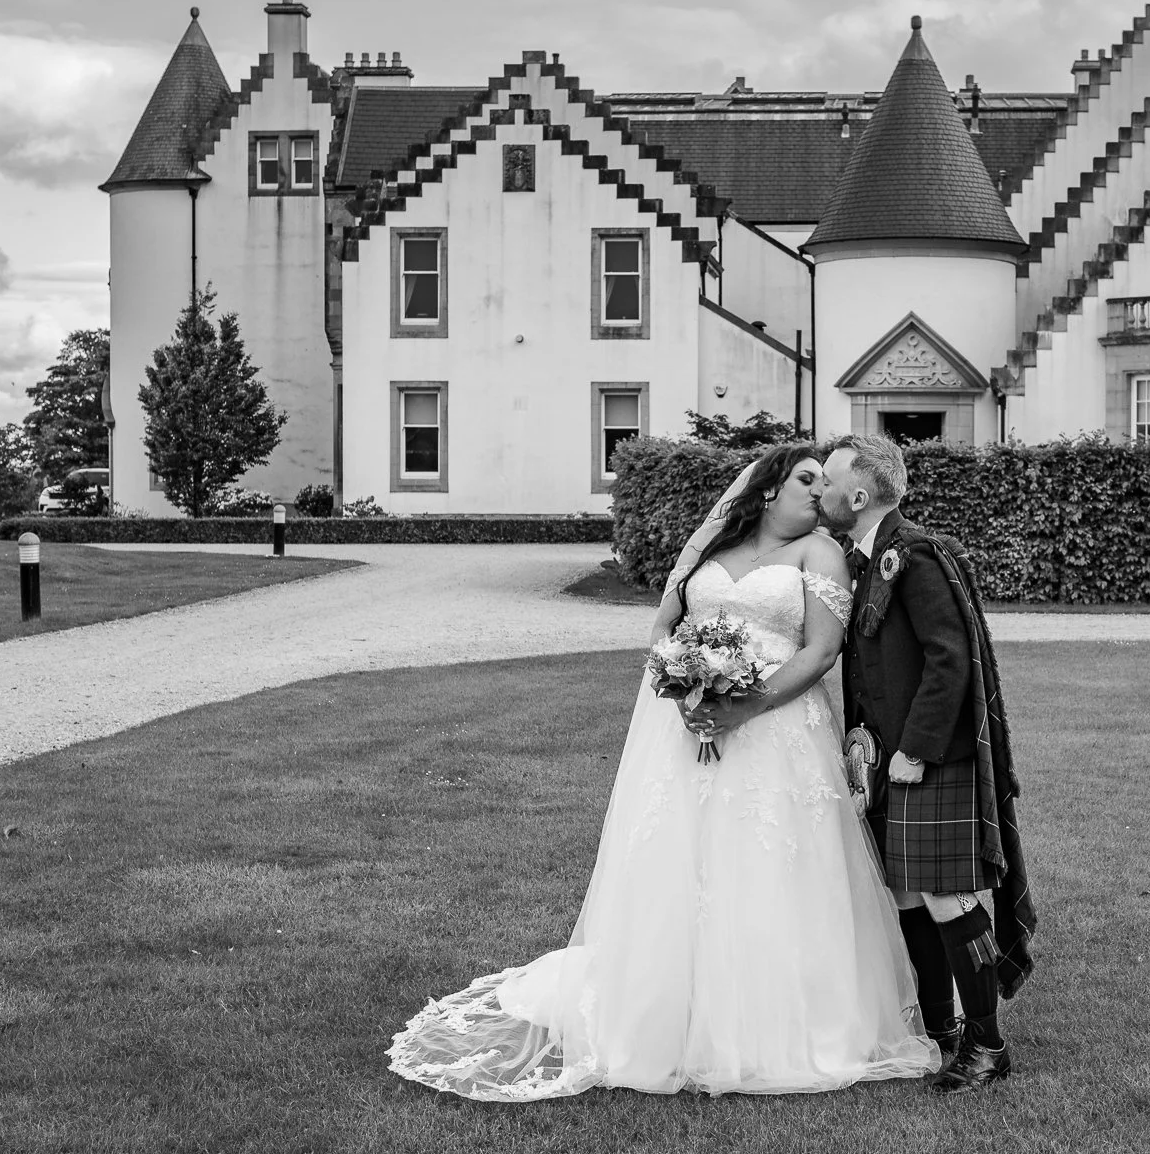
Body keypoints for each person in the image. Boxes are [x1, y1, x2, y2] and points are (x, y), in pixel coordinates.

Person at [386, 441, 938, 1099]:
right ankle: (661, 1012)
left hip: (778, 734)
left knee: (766, 866)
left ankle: (768, 1025)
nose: (819, 492)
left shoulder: (820, 553)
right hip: (687, 734)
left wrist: (746, 704)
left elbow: (821, 652)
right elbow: (666, 631)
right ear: (766, 489)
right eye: (805, 479)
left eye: (824, 482)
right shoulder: (710, 552)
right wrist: (687, 684)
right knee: (677, 861)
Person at [814, 434, 1036, 1094]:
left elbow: (949, 661)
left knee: (947, 897)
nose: (819, 491)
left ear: (858, 495)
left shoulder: (915, 557)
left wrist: (915, 751)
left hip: (928, 760)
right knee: (908, 892)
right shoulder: (870, 558)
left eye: (827, 481)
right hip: (889, 760)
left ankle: (988, 1046)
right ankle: (941, 1031)